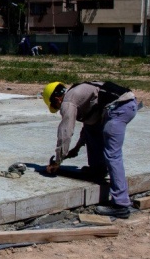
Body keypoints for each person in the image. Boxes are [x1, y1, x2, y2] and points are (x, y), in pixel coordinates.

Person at [43, 80, 137, 218]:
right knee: (92, 130)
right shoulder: (80, 93)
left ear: (57, 99)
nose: (59, 109)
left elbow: (65, 132)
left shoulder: (68, 101)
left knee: (113, 155)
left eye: (56, 107)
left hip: (120, 109)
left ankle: (121, 205)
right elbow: (88, 127)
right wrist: (75, 149)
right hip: (122, 105)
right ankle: (98, 170)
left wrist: (58, 160)